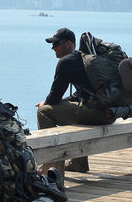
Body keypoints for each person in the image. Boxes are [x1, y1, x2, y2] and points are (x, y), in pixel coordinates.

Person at [36, 28, 112, 172]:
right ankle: (79, 163)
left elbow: (54, 97)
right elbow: (81, 93)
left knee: (43, 112)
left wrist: (44, 103)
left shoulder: (66, 62)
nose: (53, 48)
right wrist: (65, 101)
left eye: (56, 44)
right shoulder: (86, 58)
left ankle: (52, 163)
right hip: (112, 112)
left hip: (98, 114)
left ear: (69, 44)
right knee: (77, 108)